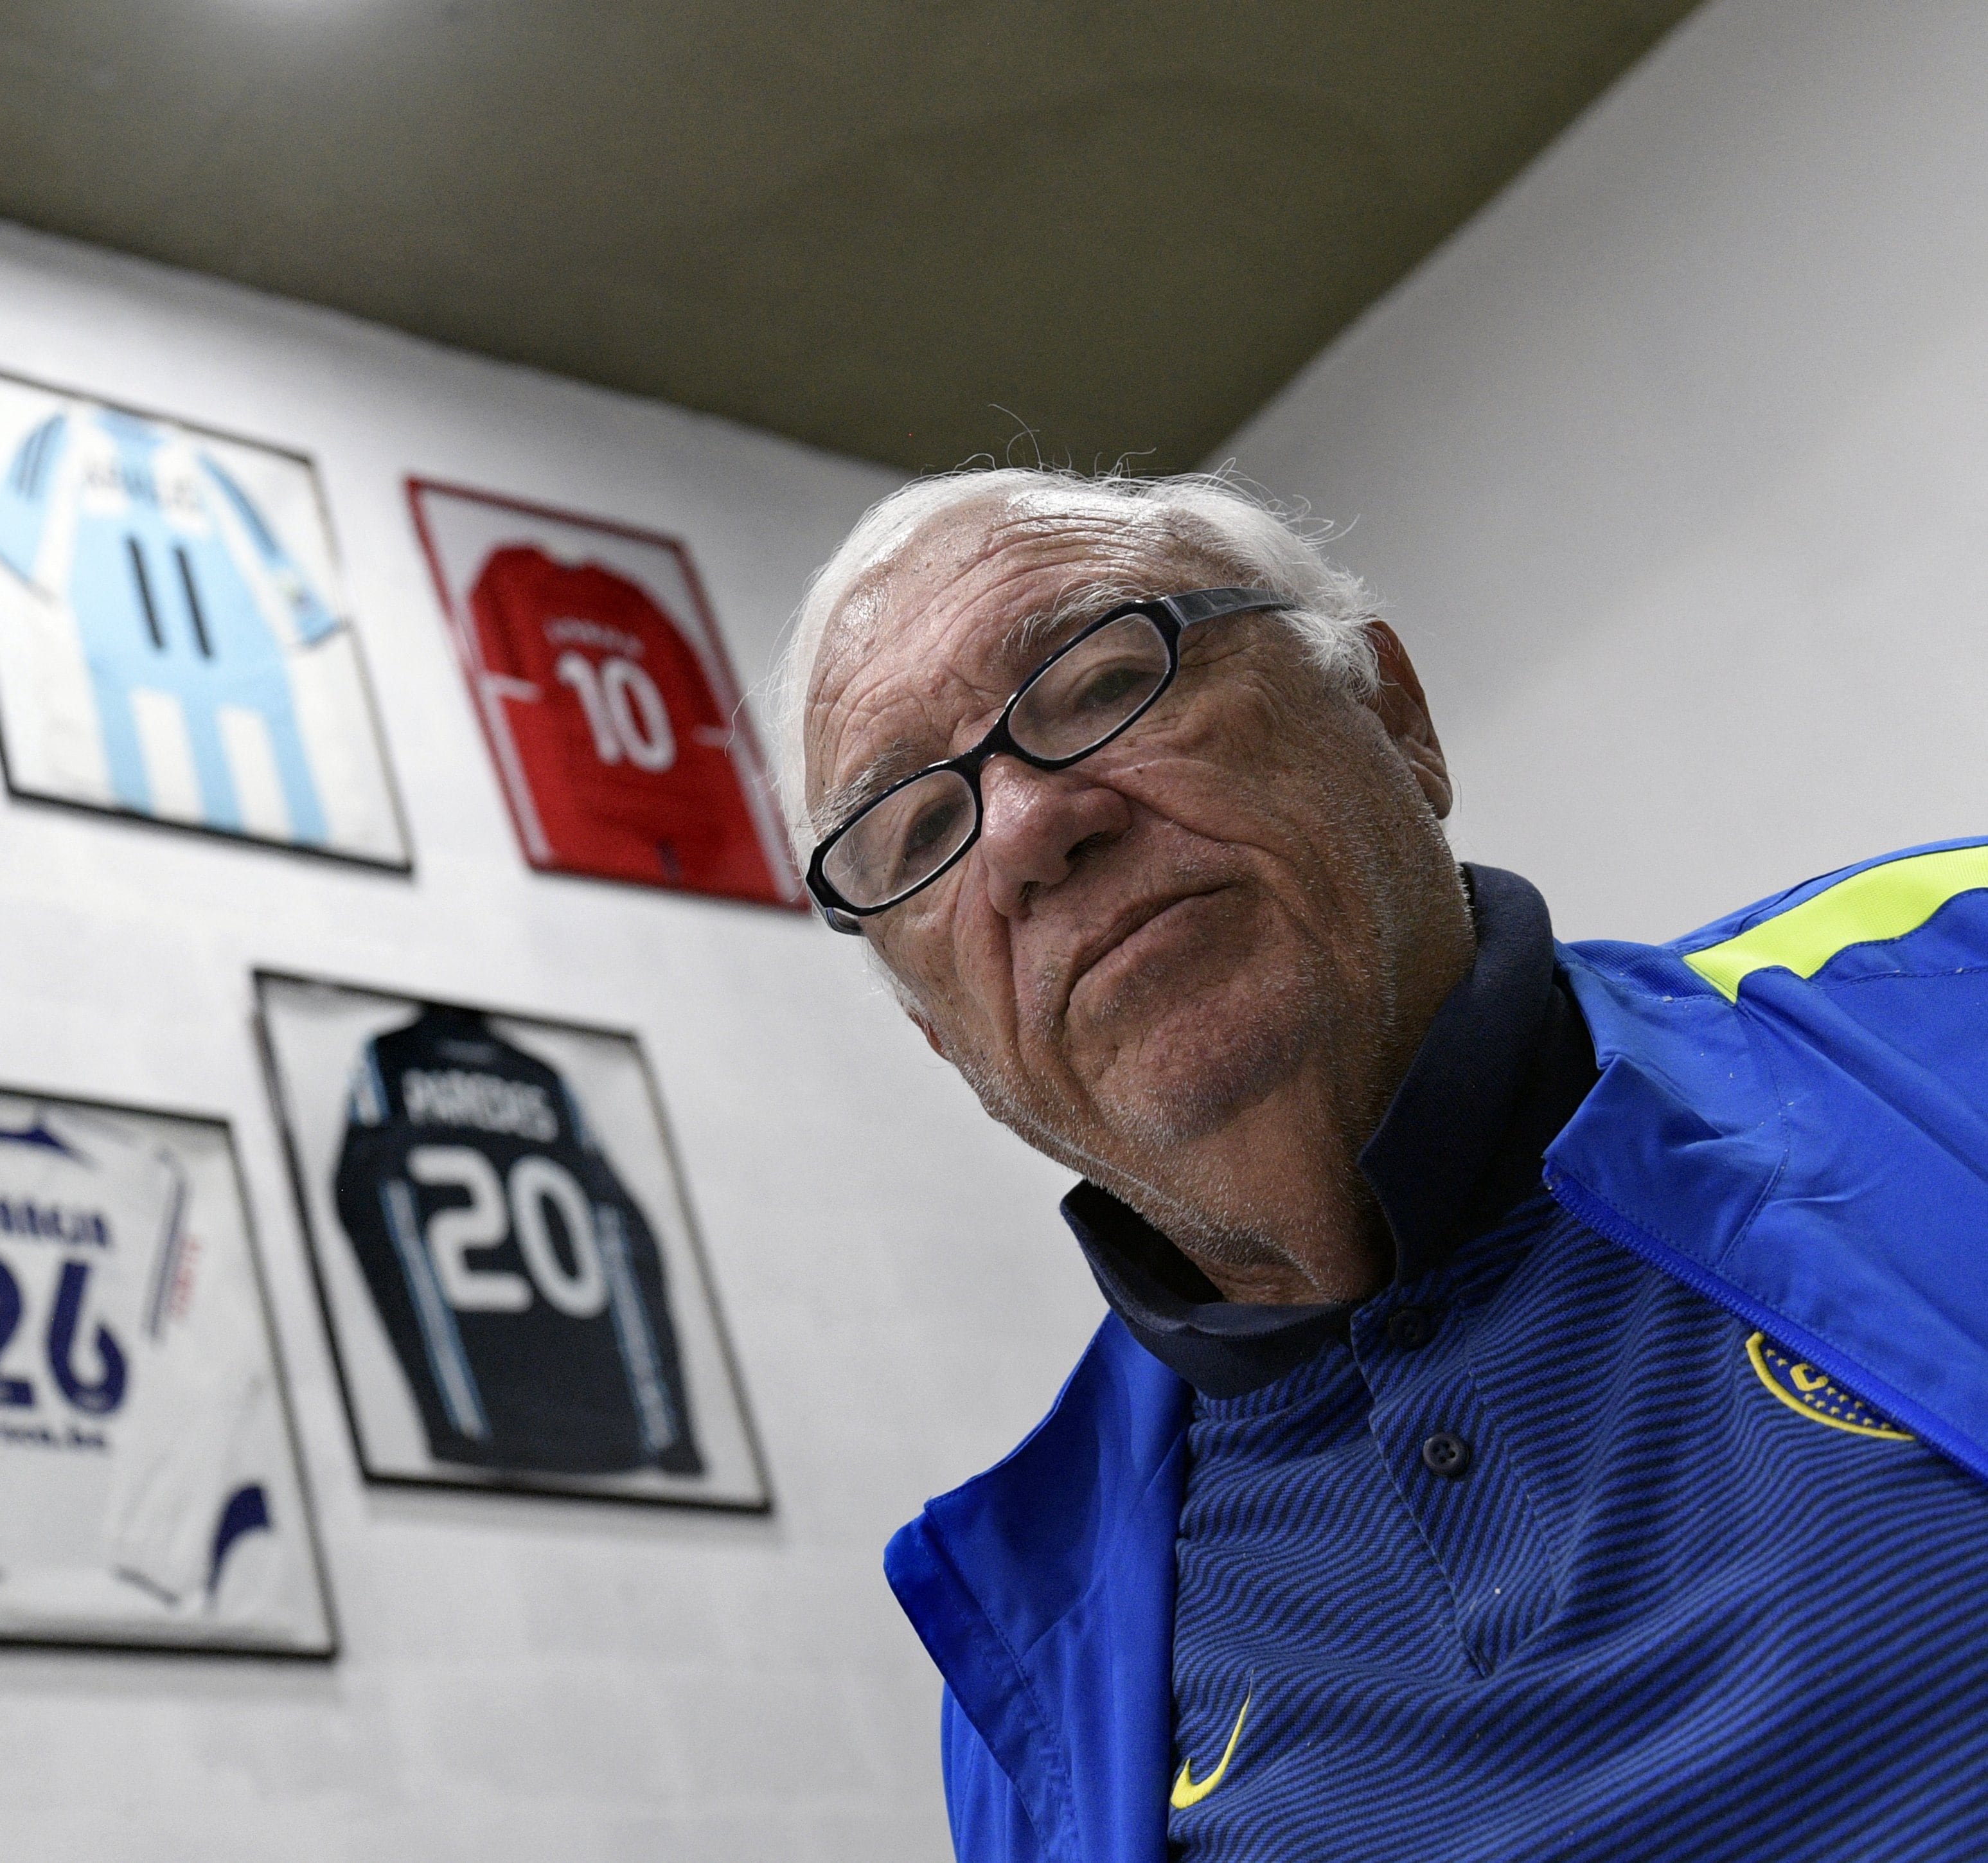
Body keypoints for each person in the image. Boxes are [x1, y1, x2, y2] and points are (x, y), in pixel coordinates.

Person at [779, 467, 1988, 1862]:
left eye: (1102, 679)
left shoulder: (1948, 991)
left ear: (1393, 715)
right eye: (919, 833)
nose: (1024, 831)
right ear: (941, 1034)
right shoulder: (1028, 1660)